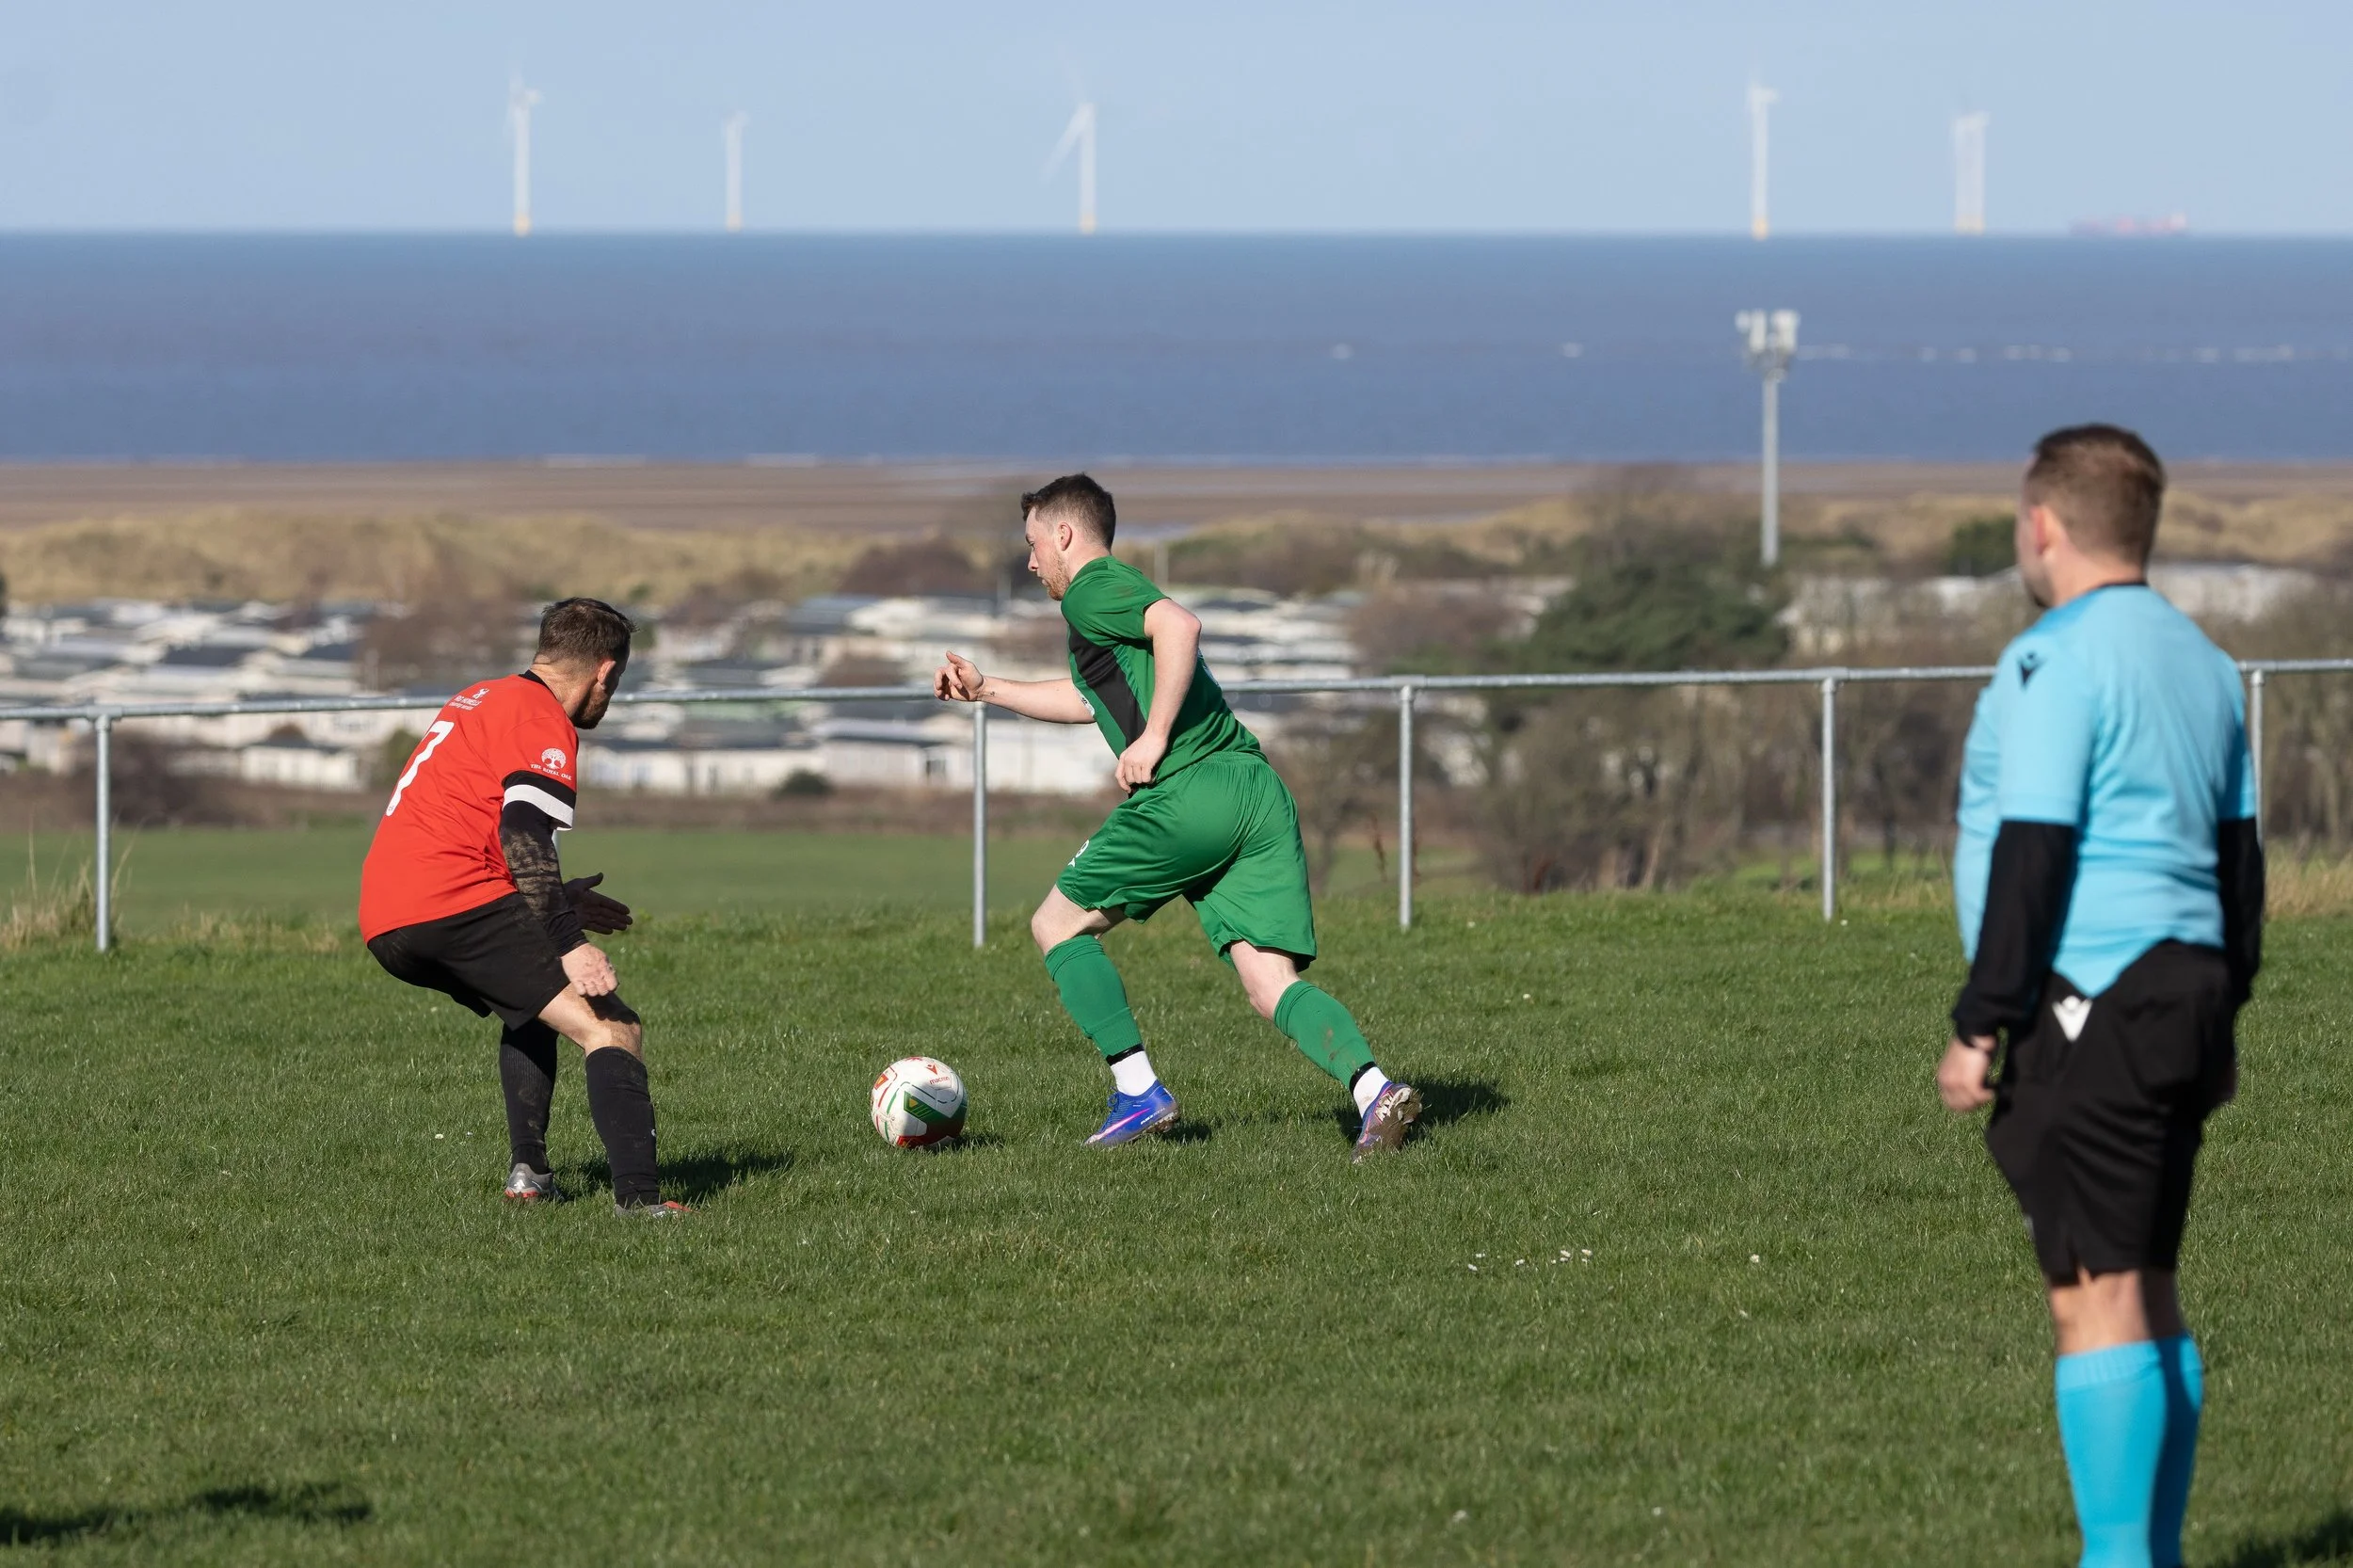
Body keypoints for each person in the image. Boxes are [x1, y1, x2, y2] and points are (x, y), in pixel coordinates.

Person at [1937, 426, 2261, 1567]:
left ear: (2044, 527)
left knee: (2095, 1296)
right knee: (2148, 1284)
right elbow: (2237, 863)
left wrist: (1983, 1020)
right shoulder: (2205, 662)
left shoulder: (2052, 659)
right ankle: (2150, 1553)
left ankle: (2121, 1559)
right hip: (2184, 995)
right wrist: (2228, 1016)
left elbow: (2036, 846)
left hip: (2092, 1001)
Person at [935, 473, 1419, 1160]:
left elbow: (1179, 625)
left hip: (1191, 792)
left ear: (1065, 535)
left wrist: (1156, 735)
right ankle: (1375, 1091)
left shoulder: (1093, 588)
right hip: (1254, 790)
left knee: (1056, 924)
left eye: (1034, 544)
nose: (1031, 561)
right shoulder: (1103, 614)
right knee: (1268, 983)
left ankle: (1138, 1091)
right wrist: (988, 689)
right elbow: (1087, 700)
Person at [359, 597, 688, 1219]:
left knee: (531, 1009)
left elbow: (464, 826)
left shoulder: (482, 698)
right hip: (453, 901)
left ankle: (531, 1174)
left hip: (387, 915)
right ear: (605, 672)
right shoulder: (541, 719)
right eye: (615, 685)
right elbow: (522, 831)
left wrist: (554, 900)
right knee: (612, 1028)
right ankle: (642, 1206)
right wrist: (569, 942)